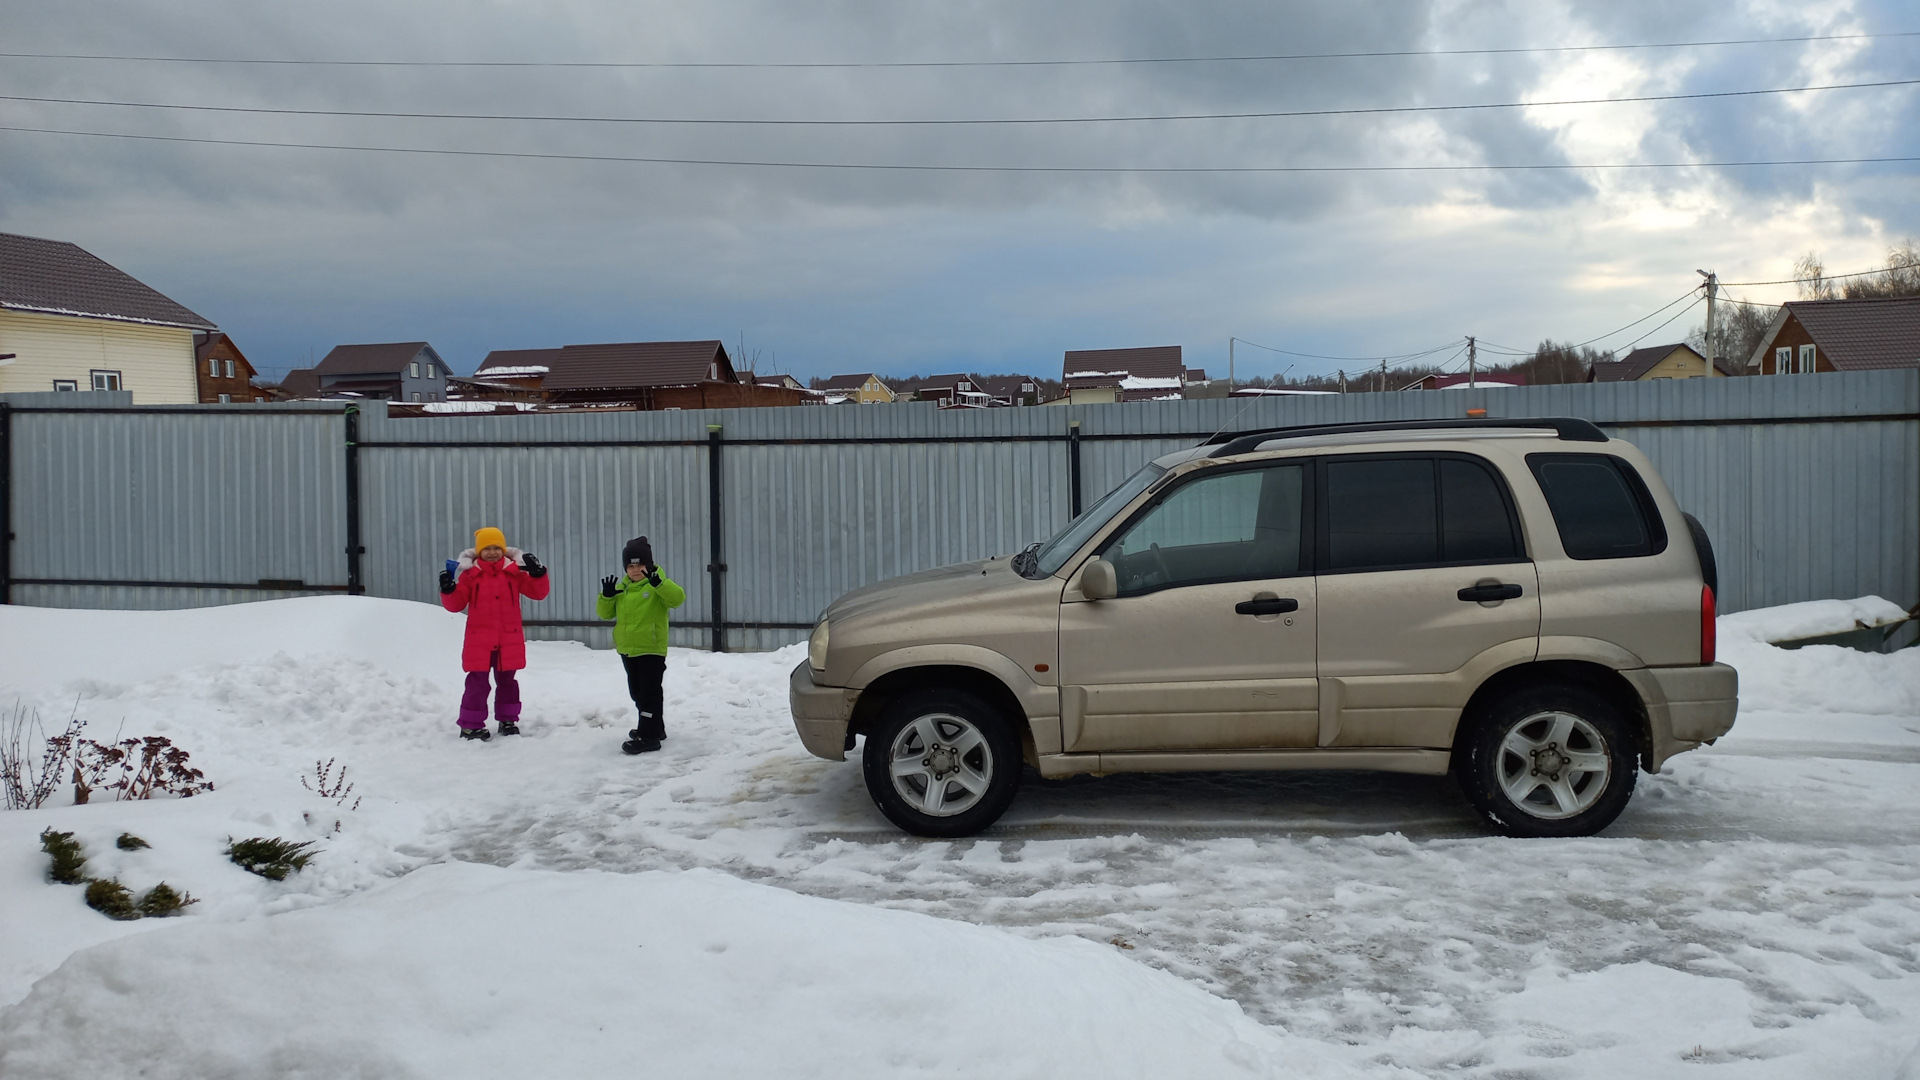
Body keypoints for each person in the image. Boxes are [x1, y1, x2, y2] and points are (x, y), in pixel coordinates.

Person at [440, 527, 550, 741]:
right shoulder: (470, 575)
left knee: (508, 682)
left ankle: (508, 721)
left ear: (503, 550)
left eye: (496, 548)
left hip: (508, 638)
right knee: (477, 683)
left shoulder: (515, 573)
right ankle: (471, 725)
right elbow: (456, 604)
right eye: (487, 548)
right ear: (479, 552)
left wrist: (538, 574)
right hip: (479, 640)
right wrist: (448, 591)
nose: (492, 552)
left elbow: (538, 593)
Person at [597, 536, 685, 754]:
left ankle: (649, 736)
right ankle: (656, 728)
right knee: (637, 692)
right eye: (631, 566)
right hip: (629, 649)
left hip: (651, 649)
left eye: (640, 565)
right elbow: (605, 614)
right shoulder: (622, 589)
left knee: (649, 693)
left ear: (649, 565)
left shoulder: (657, 586)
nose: (635, 570)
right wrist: (606, 597)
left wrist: (660, 584)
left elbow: (677, 599)